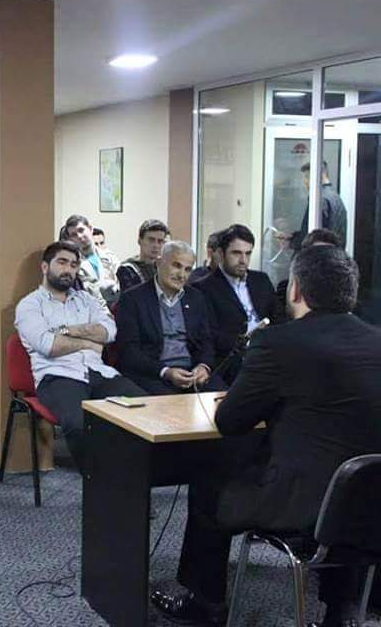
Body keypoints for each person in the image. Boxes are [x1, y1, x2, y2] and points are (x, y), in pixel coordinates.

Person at [152, 245, 381, 627]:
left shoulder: (278, 342)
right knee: (342, 486)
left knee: (209, 480)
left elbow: (230, 421)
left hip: (301, 505)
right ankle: (340, 613)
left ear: (296, 290)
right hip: (369, 503)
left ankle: (205, 605)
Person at [15, 241, 145, 473]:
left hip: (99, 373)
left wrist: (67, 330)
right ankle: (99, 479)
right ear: (45, 267)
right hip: (57, 377)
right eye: (62, 262)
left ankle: (133, 476)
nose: (69, 269)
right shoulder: (29, 305)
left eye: (74, 265)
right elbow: (48, 345)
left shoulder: (87, 300)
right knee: (79, 424)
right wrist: (88, 342)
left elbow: (109, 332)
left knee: (144, 407)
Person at [115, 241, 225, 395]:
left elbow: (206, 341)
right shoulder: (133, 299)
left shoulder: (196, 298)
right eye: (176, 266)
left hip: (192, 372)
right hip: (153, 374)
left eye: (188, 269)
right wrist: (165, 371)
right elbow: (129, 351)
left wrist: (203, 366)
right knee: (171, 405)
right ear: (159, 263)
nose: (181, 275)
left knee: (226, 400)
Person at [193, 224, 280, 383]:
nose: (243, 260)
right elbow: (210, 335)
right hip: (232, 361)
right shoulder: (203, 288)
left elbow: (279, 319)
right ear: (220, 253)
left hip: (267, 354)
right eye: (236, 253)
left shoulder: (261, 280)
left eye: (248, 253)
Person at [62, 214, 120, 306]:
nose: (79, 236)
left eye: (81, 230)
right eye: (74, 235)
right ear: (70, 239)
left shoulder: (110, 256)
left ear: (90, 229)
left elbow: (122, 283)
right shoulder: (72, 265)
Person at [292, 160, 348, 250]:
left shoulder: (319, 199)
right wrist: (292, 238)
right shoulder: (335, 197)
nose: (305, 181)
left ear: (321, 175)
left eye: (307, 177)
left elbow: (314, 234)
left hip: (320, 255)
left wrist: (293, 242)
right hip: (333, 253)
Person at [116, 219, 170, 294]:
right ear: (140, 240)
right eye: (151, 240)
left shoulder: (164, 268)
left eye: (160, 241)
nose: (156, 245)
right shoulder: (128, 269)